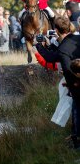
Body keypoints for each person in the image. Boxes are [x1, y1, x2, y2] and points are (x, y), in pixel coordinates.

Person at [35, 16, 80, 148]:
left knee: (77, 112)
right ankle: (74, 136)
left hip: (76, 85)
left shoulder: (63, 48)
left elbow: (50, 58)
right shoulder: (77, 38)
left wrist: (38, 45)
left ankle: (77, 142)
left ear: (56, 30)